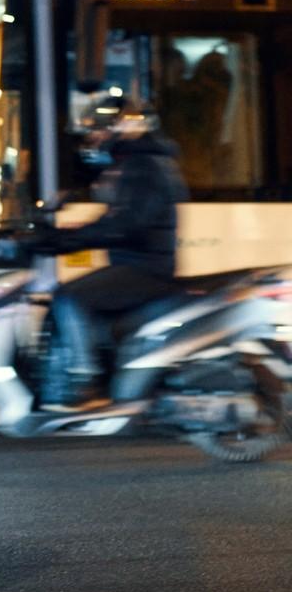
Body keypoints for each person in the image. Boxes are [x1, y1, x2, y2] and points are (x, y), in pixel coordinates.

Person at [35, 97, 188, 409]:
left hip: (146, 269)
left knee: (68, 298)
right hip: (136, 264)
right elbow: (115, 220)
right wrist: (65, 233)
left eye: (98, 131)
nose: (93, 139)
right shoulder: (131, 163)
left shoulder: (144, 166)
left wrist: (68, 241)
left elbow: (125, 225)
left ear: (118, 128)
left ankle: (84, 381)